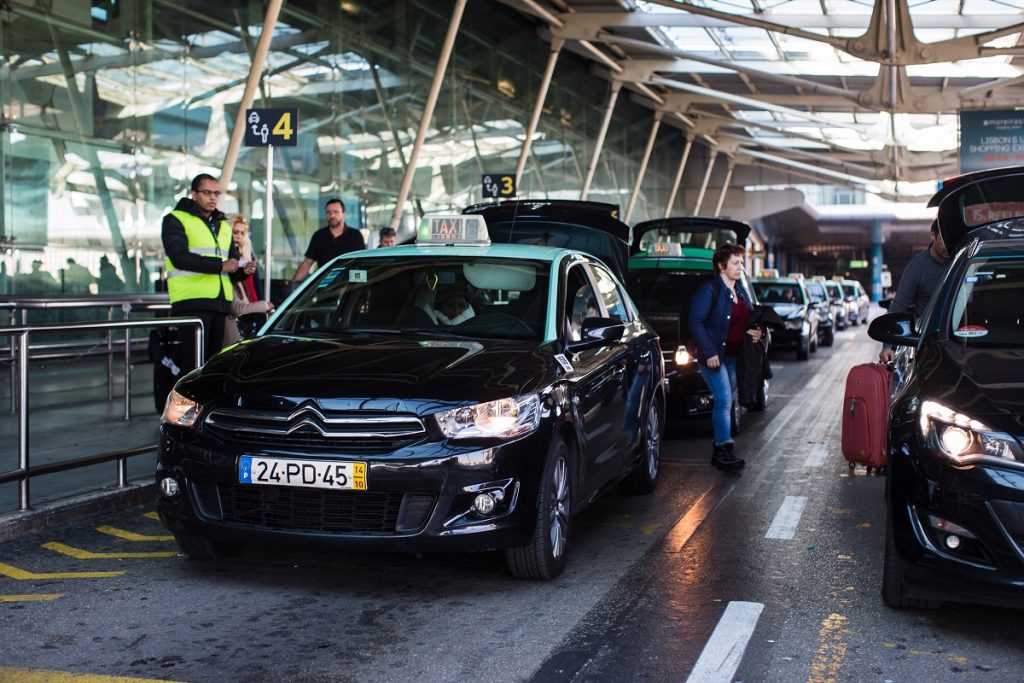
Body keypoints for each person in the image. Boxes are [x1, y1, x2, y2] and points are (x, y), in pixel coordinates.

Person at [161, 173, 252, 366]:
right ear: (194, 194)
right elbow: (178, 257)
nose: (213, 197)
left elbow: (232, 263)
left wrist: (243, 271)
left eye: (216, 193)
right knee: (193, 366)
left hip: (220, 305)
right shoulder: (175, 219)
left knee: (212, 366)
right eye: (207, 193)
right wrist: (220, 265)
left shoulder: (222, 224)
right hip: (191, 302)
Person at [688, 242, 763, 472]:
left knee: (727, 400)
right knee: (723, 400)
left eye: (741, 262)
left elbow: (750, 319)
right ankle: (723, 450)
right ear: (722, 266)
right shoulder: (709, 290)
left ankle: (719, 450)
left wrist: (758, 332)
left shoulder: (740, 291)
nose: (740, 267)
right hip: (715, 357)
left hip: (734, 356)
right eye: (735, 263)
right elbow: (695, 322)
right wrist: (709, 351)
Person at [878, 219, 951, 363]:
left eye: (951, 238)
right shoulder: (917, 268)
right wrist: (887, 346)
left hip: (962, 339)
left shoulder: (960, 260)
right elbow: (898, 306)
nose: (948, 244)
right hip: (927, 345)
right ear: (933, 234)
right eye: (944, 238)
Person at [223, 215, 274, 347]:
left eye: (242, 233)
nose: (238, 236)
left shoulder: (248, 261)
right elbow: (237, 308)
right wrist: (264, 306)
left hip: (250, 322)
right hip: (235, 323)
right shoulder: (227, 264)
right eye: (235, 232)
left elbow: (257, 292)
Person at [290, 198, 366, 286]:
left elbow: (361, 264)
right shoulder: (319, 236)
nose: (332, 215)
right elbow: (307, 263)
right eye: (328, 212)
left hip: (348, 287)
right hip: (324, 288)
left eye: (336, 212)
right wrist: (292, 286)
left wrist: (358, 287)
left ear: (343, 214)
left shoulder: (355, 236)